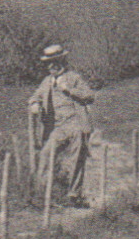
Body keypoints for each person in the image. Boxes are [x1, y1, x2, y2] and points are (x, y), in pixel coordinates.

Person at [28, 44, 99, 206]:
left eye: (56, 62)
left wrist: (69, 90)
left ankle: (74, 195)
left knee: (77, 159)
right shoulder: (47, 82)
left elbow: (89, 96)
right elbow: (35, 95)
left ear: (62, 61)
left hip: (76, 124)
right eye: (49, 64)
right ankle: (43, 195)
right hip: (58, 127)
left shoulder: (73, 78)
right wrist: (34, 103)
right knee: (46, 155)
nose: (52, 66)